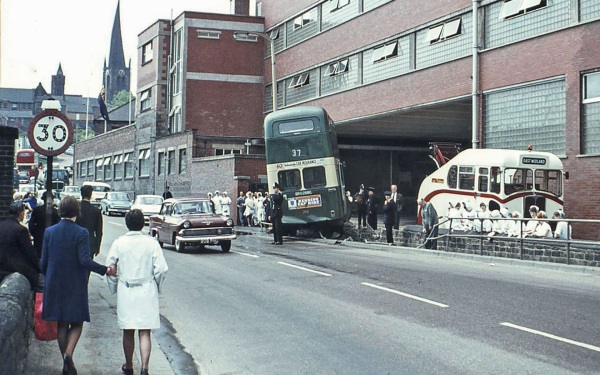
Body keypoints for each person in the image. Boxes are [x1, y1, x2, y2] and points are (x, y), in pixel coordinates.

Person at [40, 196, 116, 375]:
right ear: (77, 212)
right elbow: (85, 260)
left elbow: (43, 262)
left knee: (61, 322)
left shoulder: (49, 232)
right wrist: (105, 270)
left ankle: (65, 360)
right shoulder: (81, 233)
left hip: (55, 282)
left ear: (60, 211)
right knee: (77, 321)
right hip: (75, 283)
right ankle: (68, 354)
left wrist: (48, 277)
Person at [106, 209, 168, 375]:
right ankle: (144, 367)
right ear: (143, 223)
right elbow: (161, 269)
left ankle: (129, 365)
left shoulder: (119, 243)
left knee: (128, 330)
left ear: (127, 224)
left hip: (126, 289)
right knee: (145, 330)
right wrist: (156, 285)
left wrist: (113, 286)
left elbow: (110, 268)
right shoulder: (151, 243)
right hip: (146, 289)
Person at [0, 202, 41, 289]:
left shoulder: (1, 226)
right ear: (21, 213)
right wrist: (39, 268)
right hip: (15, 269)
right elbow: (30, 252)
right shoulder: (21, 230)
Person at [28, 191, 60, 259]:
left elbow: (31, 225)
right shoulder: (55, 212)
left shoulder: (36, 210)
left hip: (39, 238)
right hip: (52, 239)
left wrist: (35, 234)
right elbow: (58, 226)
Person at [76, 184, 103, 259]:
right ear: (91, 195)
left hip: (76, 242)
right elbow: (99, 231)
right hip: (90, 244)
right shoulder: (96, 211)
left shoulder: (76, 209)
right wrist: (97, 247)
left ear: (81, 194)